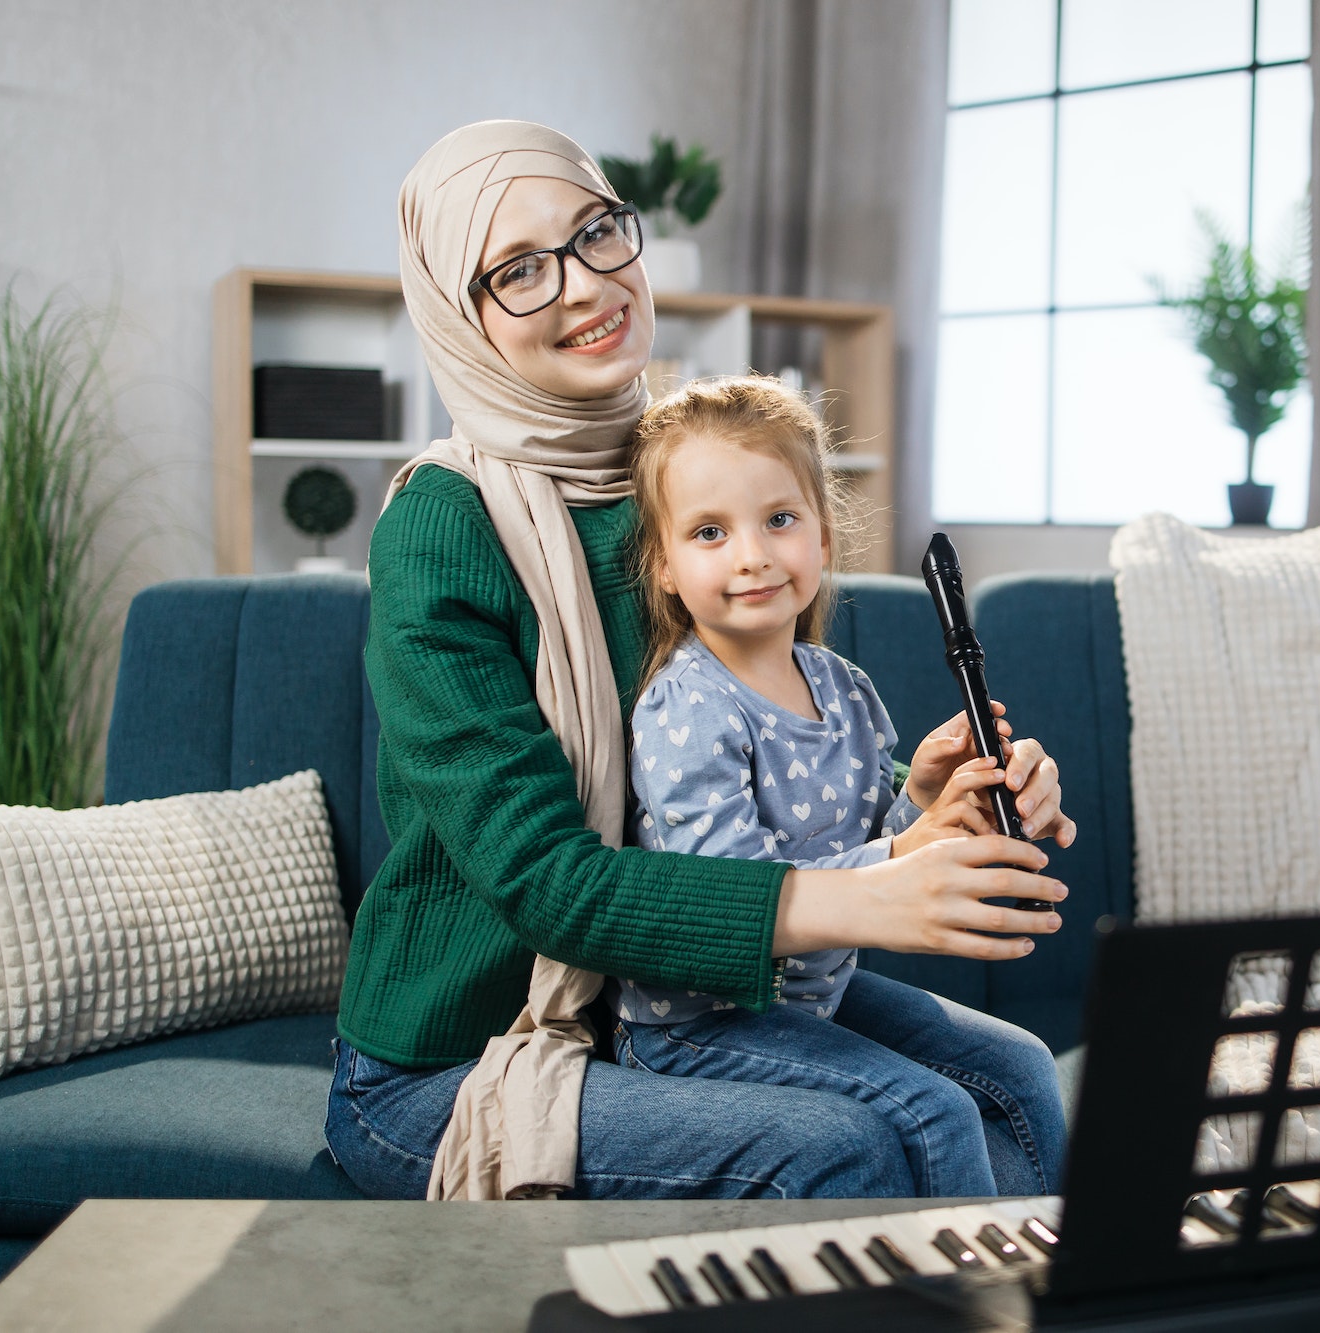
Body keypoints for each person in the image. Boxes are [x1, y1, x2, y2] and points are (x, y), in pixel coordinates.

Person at [323, 120, 1073, 1202]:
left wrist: (923, 806)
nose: (582, 287)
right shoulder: (443, 530)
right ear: (458, 312)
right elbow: (545, 882)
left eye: (594, 233)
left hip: (671, 991)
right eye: (521, 271)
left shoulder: (692, 481)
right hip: (467, 1051)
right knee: (840, 1146)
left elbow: (759, 745)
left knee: (1008, 1072)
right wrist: (875, 896)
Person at [611, 376, 1068, 1197]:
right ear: (664, 567)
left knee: (1022, 1063)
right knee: (935, 1111)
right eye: (710, 531)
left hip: (814, 1000)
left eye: (779, 520)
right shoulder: (688, 707)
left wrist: (928, 800)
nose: (752, 554)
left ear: (822, 536)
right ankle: (962, 1302)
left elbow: (866, 837)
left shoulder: (844, 686)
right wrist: (902, 849)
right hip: (701, 1024)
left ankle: (1054, 1277)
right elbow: (739, 899)